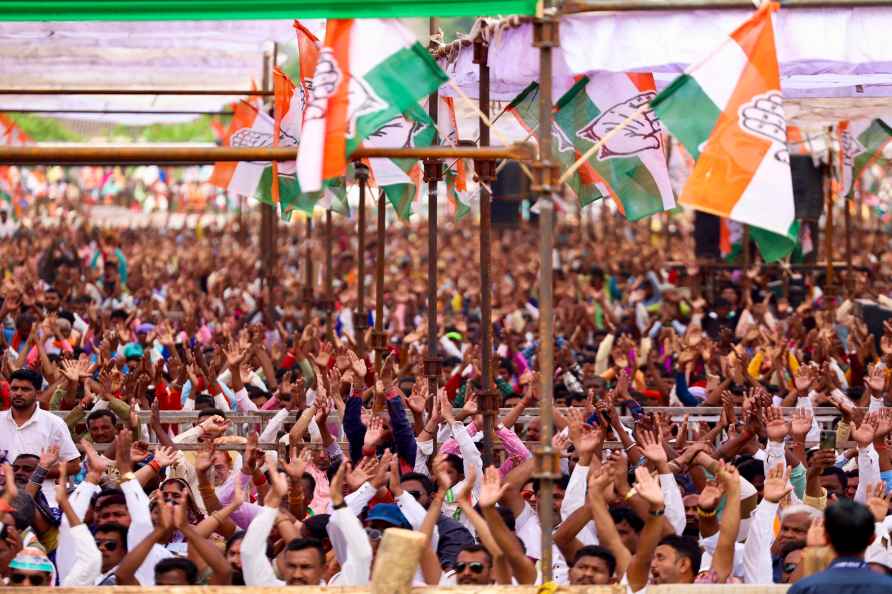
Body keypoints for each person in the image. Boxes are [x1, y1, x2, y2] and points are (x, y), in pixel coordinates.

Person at [788, 500, 892, 593]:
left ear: (826, 538)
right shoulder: (887, 586)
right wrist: (878, 525)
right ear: (872, 539)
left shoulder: (805, 587)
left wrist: (813, 549)